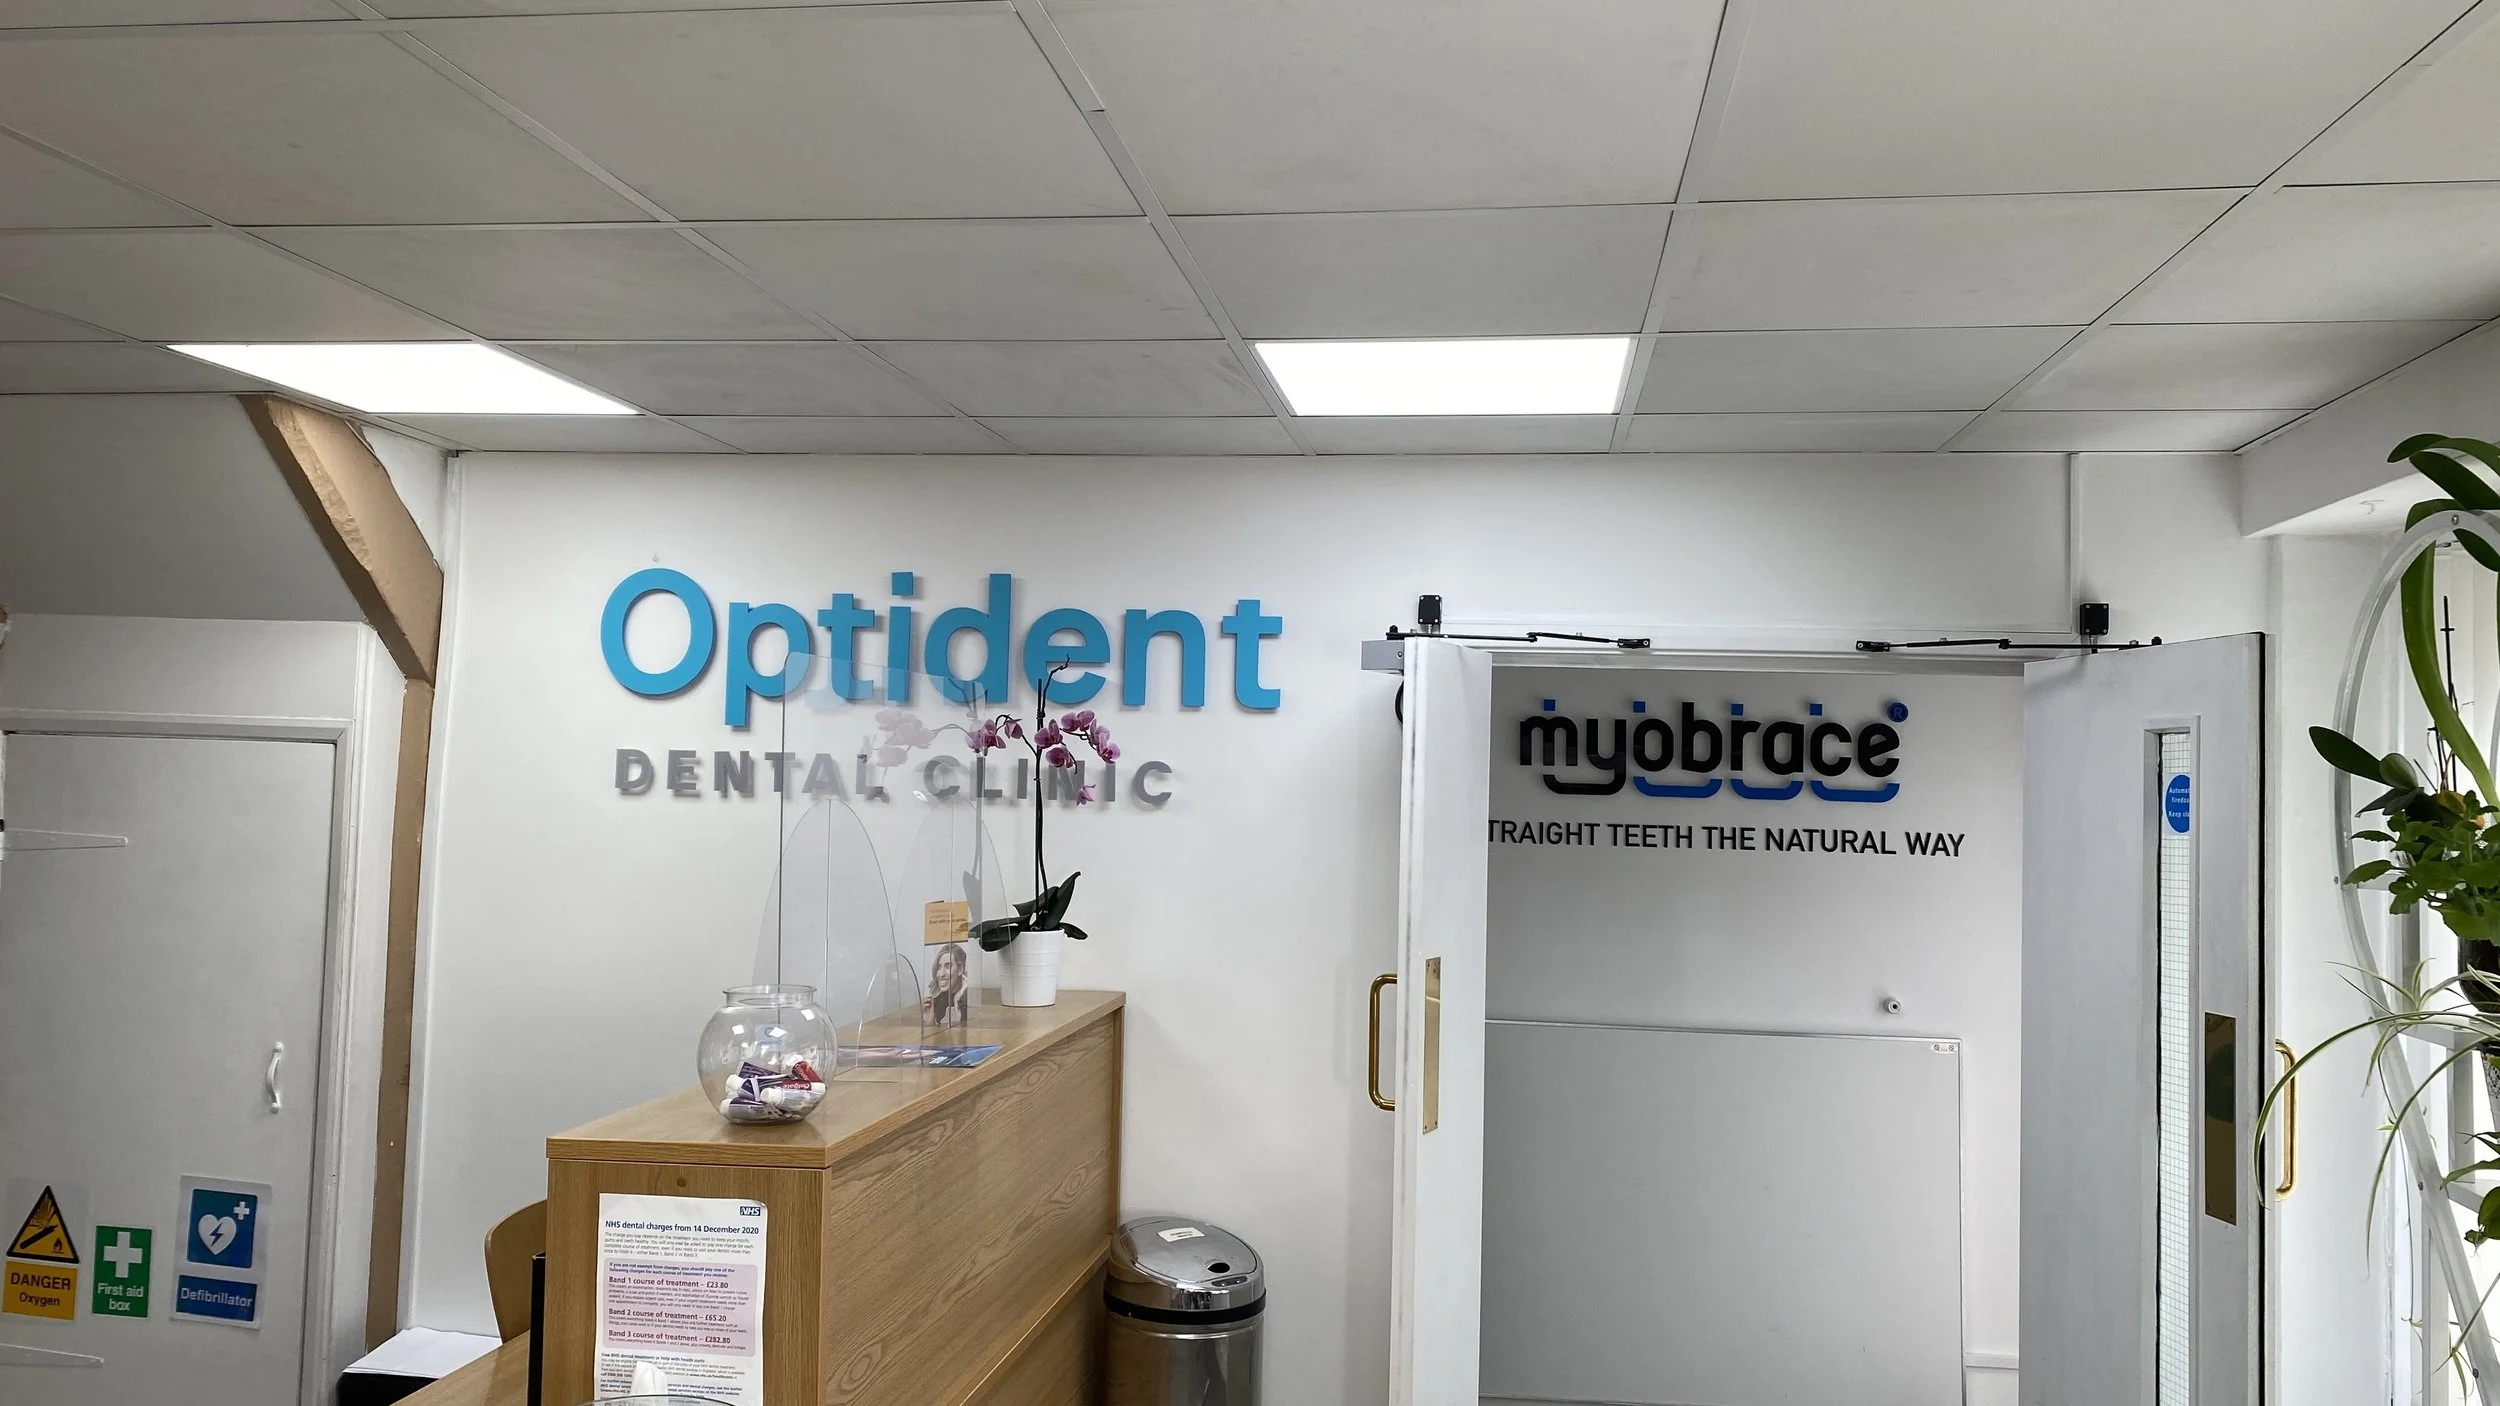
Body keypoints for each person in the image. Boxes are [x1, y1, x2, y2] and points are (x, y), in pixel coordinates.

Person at [926, 942, 970, 1028]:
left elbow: (963, 1031)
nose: (941, 974)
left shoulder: (969, 1000)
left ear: (960, 969)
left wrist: (957, 1001)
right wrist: (930, 1022)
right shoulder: (936, 1001)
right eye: (939, 967)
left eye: (948, 966)